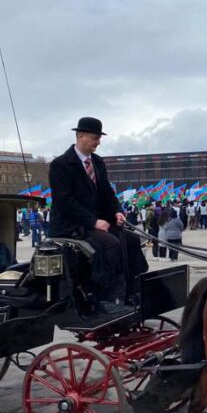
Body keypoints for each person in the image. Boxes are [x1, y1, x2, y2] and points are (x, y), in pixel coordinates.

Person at [48, 116, 148, 311]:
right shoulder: (60, 165)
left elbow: (107, 193)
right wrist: (93, 222)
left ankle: (132, 289)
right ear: (81, 135)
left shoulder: (97, 162)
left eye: (99, 138)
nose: (98, 142)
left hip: (97, 222)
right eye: (95, 137)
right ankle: (106, 296)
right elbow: (65, 201)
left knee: (132, 240)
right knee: (111, 244)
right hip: (73, 225)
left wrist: (117, 211)